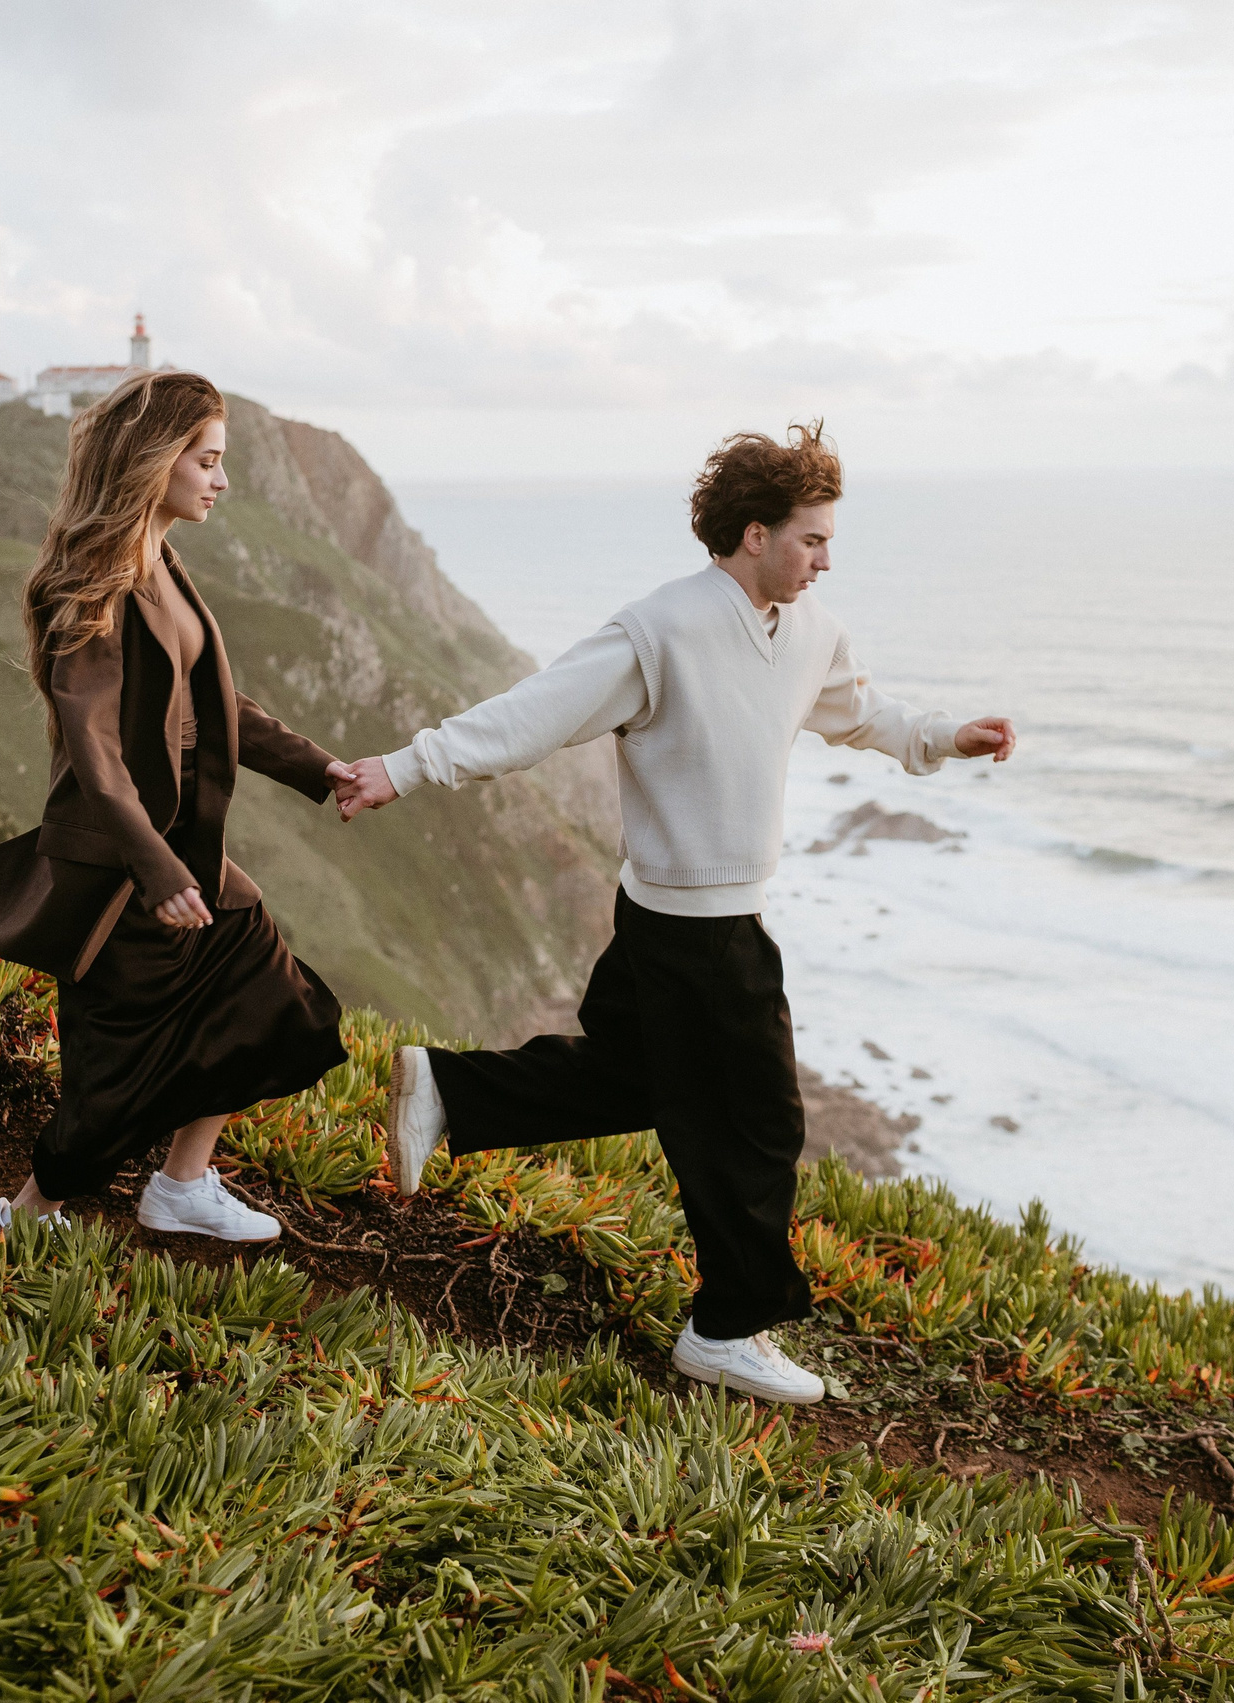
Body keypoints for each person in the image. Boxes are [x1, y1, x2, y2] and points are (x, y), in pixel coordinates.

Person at [333, 423, 1015, 1404]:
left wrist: (947, 735)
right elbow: (538, 711)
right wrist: (404, 766)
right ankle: (726, 1328)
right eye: (810, 539)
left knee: (633, 1079)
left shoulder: (811, 632)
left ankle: (448, 1088)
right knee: (763, 1124)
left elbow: (859, 710)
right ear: (751, 534)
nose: (828, 557)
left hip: (692, 915)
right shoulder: (661, 628)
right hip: (695, 930)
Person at [0, 370, 352, 1243]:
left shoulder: (161, 561)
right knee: (113, 1079)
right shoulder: (98, 581)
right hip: (117, 867)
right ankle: (21, 1220)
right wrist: (156, 866)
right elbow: (94, 751)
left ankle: (182, 1182)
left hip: (171, 851)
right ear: (156, 458)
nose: (221, 480)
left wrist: (325, 771)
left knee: (266, 986)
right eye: (206, 460)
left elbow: (215, 709)